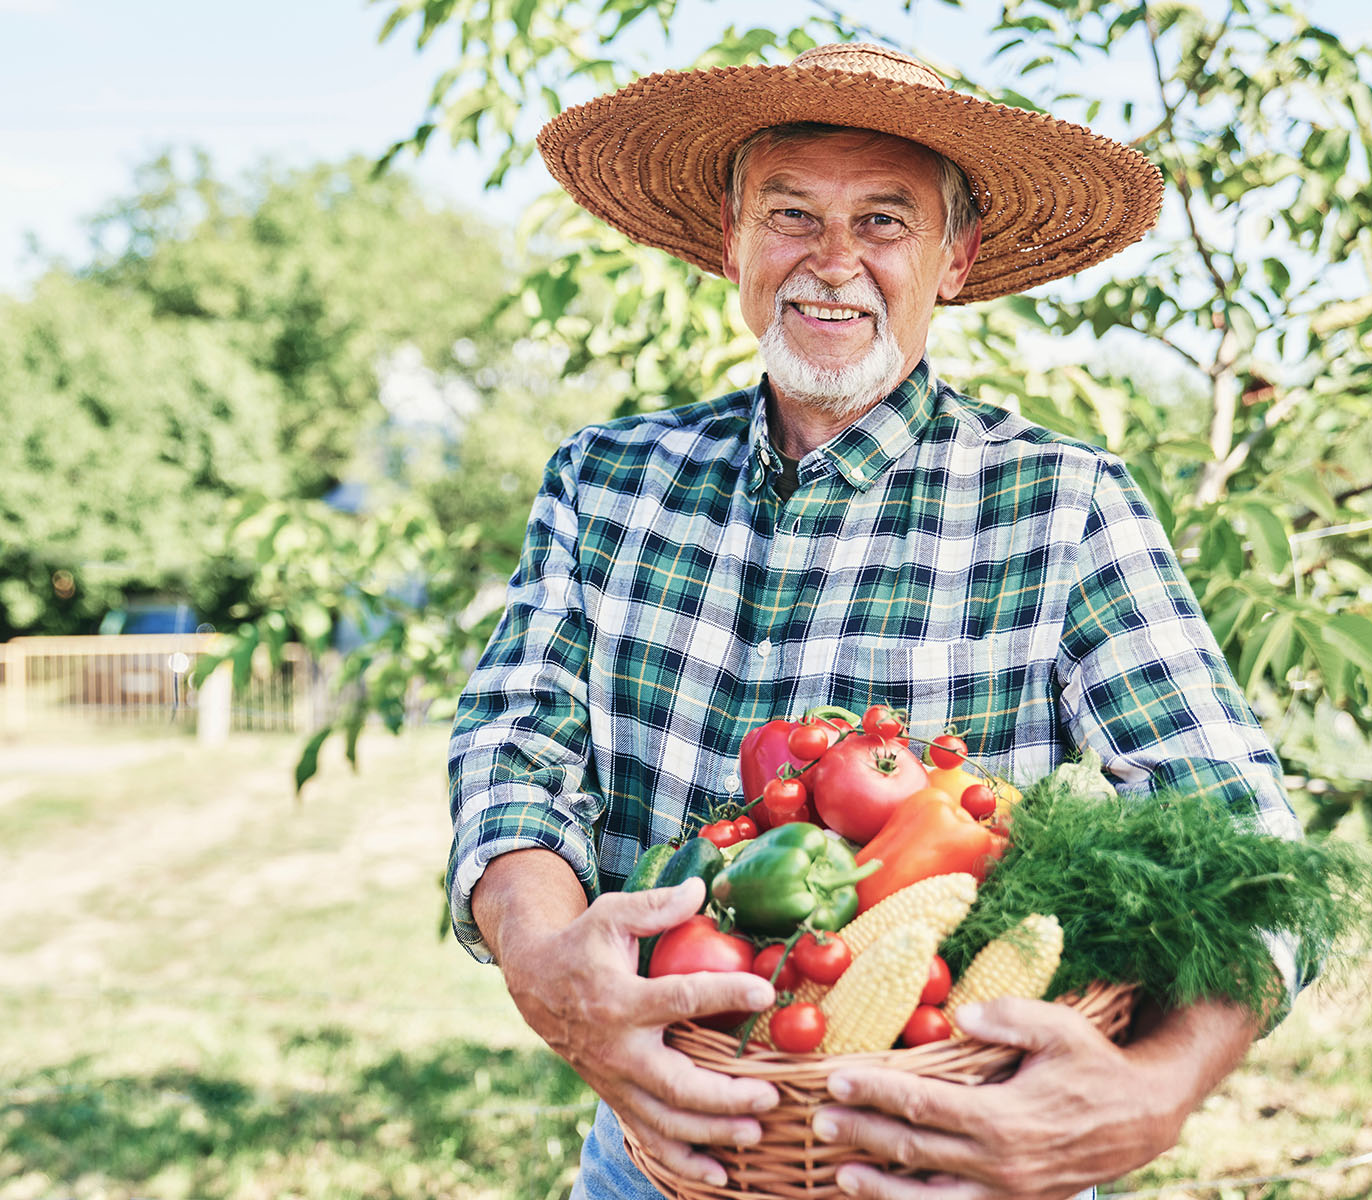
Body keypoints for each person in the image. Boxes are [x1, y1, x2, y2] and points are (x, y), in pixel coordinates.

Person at [446, 42, 1305, 1200]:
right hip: (659, 1151)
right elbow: (515, 749)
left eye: (886, 222)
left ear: (957, 259)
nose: (833, 263)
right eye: (791, 214)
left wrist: (1157, 1093)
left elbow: (1240, 833)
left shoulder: (1062, 502)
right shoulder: (605, 480)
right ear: (732, 242)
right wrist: (546, 966)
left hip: (961, 1155)